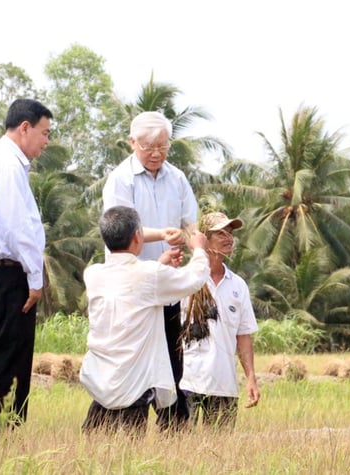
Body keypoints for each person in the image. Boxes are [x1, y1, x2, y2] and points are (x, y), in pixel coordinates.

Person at [102, 110, 198, 430]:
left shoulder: (178, 179)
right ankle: (113, 425)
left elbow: (190, 224)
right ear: (132, 142)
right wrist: (163, 235)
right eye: (148, 146)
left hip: (166, 284)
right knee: (133, 361)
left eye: (163, 146)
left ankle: (175, 429)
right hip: (133, 287)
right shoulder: (120, 179)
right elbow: (121, 231)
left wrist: (189, 245)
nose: (156, 153)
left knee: (172, 361)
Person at [80, 205, 209, 434]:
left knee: (93, 452)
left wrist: (160, 264)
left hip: (101, 380)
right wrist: (199, 250)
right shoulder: (150, 274)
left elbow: (132, 288)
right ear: (137, 237)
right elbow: (194, 278)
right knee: (126, 458)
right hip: (133, 384)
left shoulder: (93, 274)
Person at [0, 98, 53, 435]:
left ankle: (6, 427)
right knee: (6, 353)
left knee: (15, 354)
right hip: (8, 271)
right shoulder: (6, 164)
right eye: (44, 133)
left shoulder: (2, 161)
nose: (46, 141)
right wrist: (35, 278)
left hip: (4, 270)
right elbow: (17, 228)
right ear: (24, 128)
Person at [179, 211, 260, 429]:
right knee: (183, 449)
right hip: (188, 382)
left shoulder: (238, 285)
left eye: (230, 233)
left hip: (225, 385)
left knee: (221, 453)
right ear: (204, 239)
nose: (229, 238)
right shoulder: (185, 279)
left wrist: (251, 377)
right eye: (221, 233)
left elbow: (243, 336)